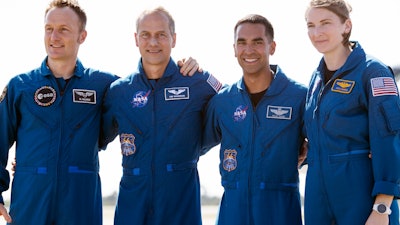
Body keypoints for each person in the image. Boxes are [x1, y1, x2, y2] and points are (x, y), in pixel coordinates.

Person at [0, 1, 198, 224]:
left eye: (63, 29)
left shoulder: (105, 85)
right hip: (31, 199)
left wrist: (184, 70)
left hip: (80, 200)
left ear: (82, 36)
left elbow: (147, 92)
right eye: (49, 29)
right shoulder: (20, 86)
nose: (54, 37)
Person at [100, 6, 222, 225]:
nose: (153, 42)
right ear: (136, 39)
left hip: (180, 202)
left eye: (161, 35)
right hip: (133, 203)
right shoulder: (119, 91)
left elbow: (238, 107)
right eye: (146, 35)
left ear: (173, 39)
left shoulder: (197, 82)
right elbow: (90, 137)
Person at [201, 14, 307, 225]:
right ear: (234, 49)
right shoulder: (223, 101)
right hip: (233, 209)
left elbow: (325, 143)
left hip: (280, 209)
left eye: (257, 42)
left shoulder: (299, 97)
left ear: (272, 46)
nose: (249, 50)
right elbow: (192, 145)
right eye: (242, 43)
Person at [303, 0, 400, 224]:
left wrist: (382, 206)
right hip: (317, 192)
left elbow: (389, 138)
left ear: (346, 25)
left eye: (325, 23)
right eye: (311, 25)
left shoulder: (373, 72)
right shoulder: (315, 79)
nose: (316, 32)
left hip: (360, 192)